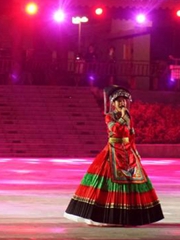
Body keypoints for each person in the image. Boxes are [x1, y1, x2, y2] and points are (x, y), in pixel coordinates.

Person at [64, 85, 164, 226]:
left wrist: (135, 151)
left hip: (128, 151)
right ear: (113, 103)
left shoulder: (129, 117)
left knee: (133, 179)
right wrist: (123, 117)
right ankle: (106, 215)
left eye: (124, 100)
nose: (122, 103)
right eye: (119, 101)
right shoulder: (109, 116)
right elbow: (115, 130)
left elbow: (131, 136)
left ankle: (131, 216)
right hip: (113, 150)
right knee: (108, 180)